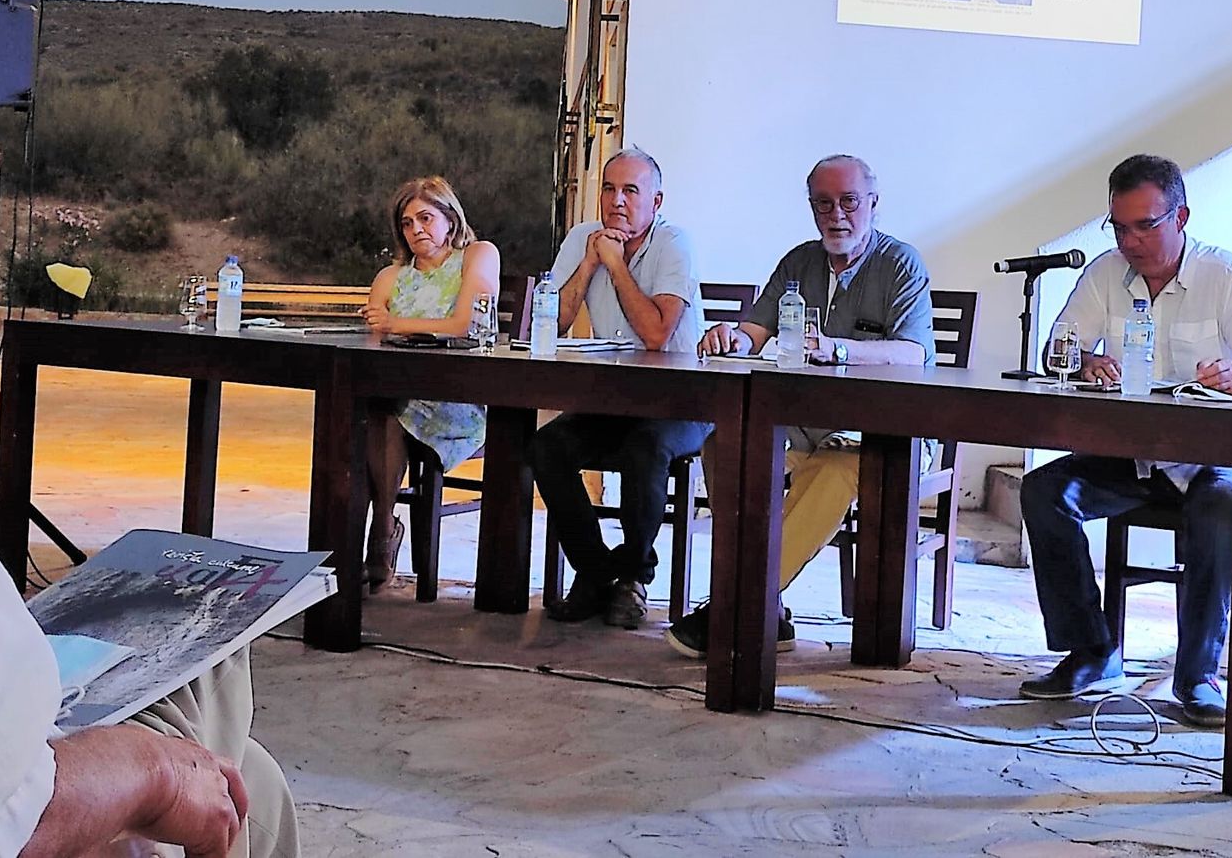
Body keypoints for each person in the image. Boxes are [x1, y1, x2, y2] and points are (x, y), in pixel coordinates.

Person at [1017, 154, 1232, 727]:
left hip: (1208, 461)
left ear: (1181, 217)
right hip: (1129, 458)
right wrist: (1085, 361)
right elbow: (1057, 350)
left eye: (1146, 225)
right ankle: (1092, 651)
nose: (1131, 241)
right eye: (1119, 227)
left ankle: (1198, 677)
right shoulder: (1105, 274)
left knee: (1221, 508)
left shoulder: (1224, 275)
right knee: (1044, 491)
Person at [666, 155, 934, 658]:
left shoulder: (901, 263)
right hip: (804, 427)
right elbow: (753, 332)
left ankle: (737, 602)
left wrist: (839, 350)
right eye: (823, 203)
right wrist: (730, 338)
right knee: (724, 446)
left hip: (881, 435)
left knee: (833, 469)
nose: (837, 215)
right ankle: (766, 606)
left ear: (873, 203)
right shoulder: (799, 262)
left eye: (849, 202)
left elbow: (913, 352)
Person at [0, 546, 300, 858]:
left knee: (256, 781)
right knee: (216, 635)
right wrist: (159, 775)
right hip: (39, 798)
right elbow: (13, 822)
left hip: (25, 729)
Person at [532, 148, 709, 630]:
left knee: (644, 448)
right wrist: (590, 261)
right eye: (609, 189)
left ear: (656, 201)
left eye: (631, 191)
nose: (617, 201)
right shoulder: (584, 238)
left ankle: (633, 577)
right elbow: (553, 321)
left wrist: (615, 265)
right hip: (614, 398)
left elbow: (656, 335)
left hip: (683, 400)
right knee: (547, 445)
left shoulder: (674, 243)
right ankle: (595, 573)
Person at [361, 176, 501, 592]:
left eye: (425, 218)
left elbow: (467, 324)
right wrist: (390, 327)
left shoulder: (478, 255)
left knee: (383, 416)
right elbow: (375, 337)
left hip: (458, 398)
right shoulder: (391, 276)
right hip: (400, 393)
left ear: (450, 219)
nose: (416, 229)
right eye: (407, 223)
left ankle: (380, 533)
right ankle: (367, 534)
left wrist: (396, 323)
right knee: (367, 415)